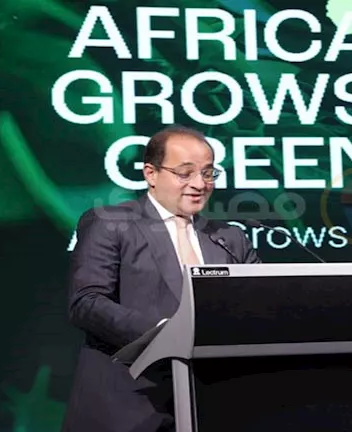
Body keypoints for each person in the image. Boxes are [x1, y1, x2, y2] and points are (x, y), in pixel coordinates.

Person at [61, 125, 261, 432]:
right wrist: (163, 335)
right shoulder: (111, 223)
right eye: (185, 173)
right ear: (151, 174)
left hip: (211, 404)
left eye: (208, 173)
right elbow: (86, 302)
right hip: (129, 404)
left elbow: (261, 304)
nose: (200, 184)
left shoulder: (229, 237)